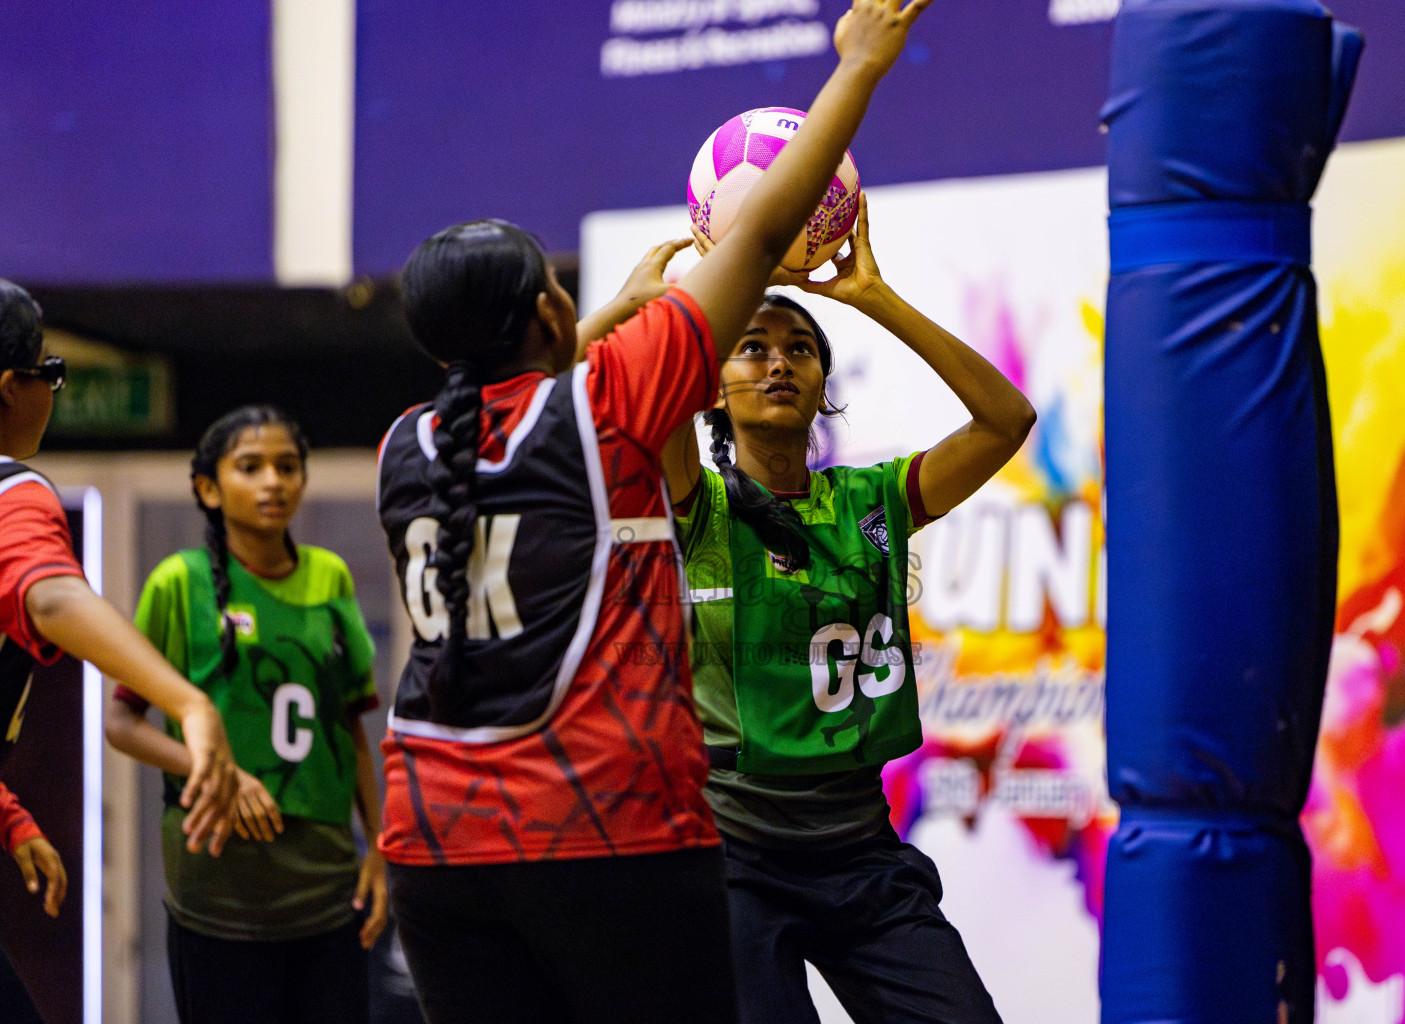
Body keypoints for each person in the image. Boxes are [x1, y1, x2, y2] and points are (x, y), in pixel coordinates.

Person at [373, 4, 936, 1021]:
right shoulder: (611, 401)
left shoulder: (408, 447)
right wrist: (859, 66)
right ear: (551, 313)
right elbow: (761, 229)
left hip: (433, 838)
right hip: (598, 826)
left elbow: (512, 394)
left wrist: (595, 321)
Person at [662, 194, 1035, 1024]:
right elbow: (657, 388)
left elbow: (1007, 419)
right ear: (713, 389)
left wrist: (873, 296)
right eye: (751, 348)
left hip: (862, 851)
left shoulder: (874, 499)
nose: (778, 363)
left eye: (799, 349)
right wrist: (712, 285)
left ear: (824, 388)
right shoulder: (698, 504)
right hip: (734, 859)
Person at [0, 278, 238, 1019]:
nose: (54, 392)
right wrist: (188, 701)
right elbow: (51, 597)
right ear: (10, 387)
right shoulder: (13, 494)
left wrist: (8, 816)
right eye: (51, 372)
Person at [105, 405, 387, 1024]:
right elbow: (120, 724)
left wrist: (379, 847)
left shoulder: (331, 576)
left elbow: (349, 727)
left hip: (327, 886)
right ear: (208, 488)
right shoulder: (178, 583)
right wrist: (216, 773)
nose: (273, 482)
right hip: (218, 891)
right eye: (251, 467)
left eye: (287, 467)